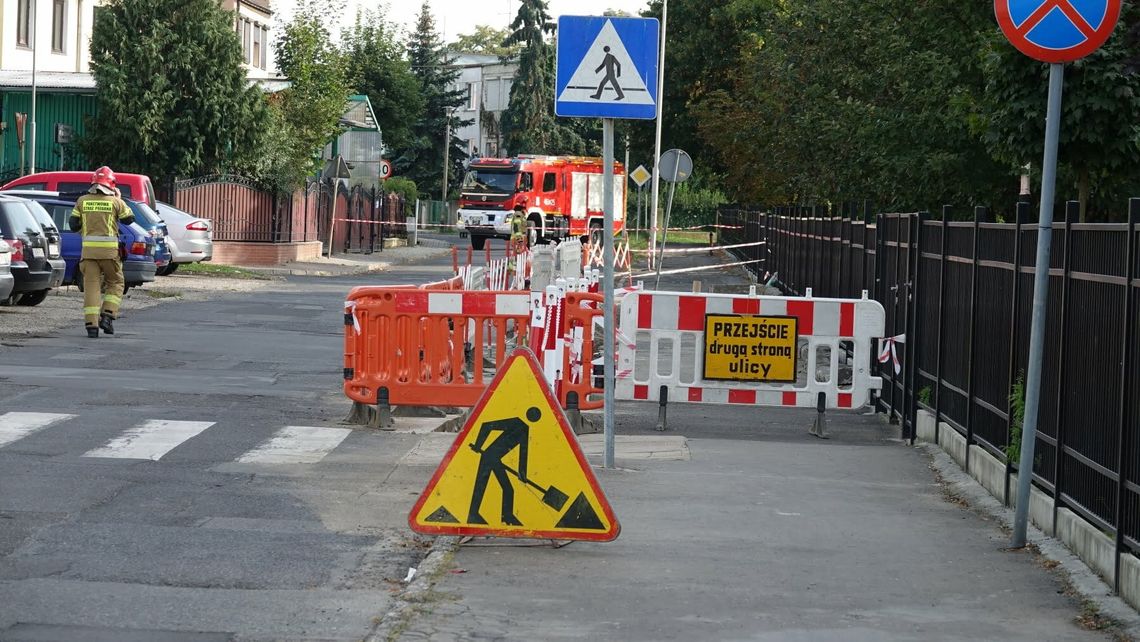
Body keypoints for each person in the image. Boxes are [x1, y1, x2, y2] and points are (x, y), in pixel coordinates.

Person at [69, 166, 135, 338]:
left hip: (88, 254)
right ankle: (107, 315)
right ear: (111, 184)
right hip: (109, 254)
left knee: (92, 287)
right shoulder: (115, 202)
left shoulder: (82, 201)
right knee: (116, 283)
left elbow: (73, 225)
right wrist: (119, 198)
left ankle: (91, 326)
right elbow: (129, 219)